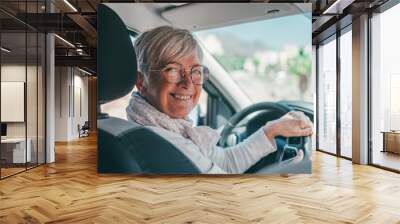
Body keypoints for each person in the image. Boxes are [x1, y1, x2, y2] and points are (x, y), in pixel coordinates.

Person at [126, 26, 313, 174]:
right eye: (173, 70)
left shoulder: (159, 131)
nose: (188, 82)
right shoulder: (165, 144)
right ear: (141, 81)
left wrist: (272, 129)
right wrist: (287, 173)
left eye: (196, 71)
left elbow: (226, 164)